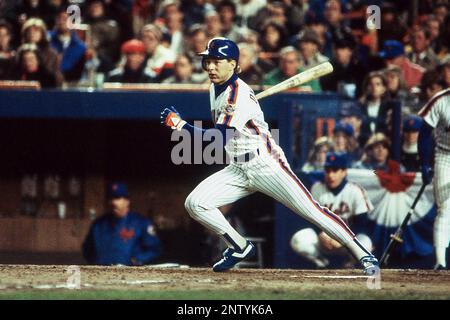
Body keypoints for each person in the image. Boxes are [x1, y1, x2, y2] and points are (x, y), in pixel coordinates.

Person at [160, 37, 378, 274]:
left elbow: (219, 137)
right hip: (238, 167)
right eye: (208, 61)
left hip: (265, 164)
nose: (210, 67)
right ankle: (239, 247)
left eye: (217, 61)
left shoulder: (237, 95)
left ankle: (363, 254)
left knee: (312, 211)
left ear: (233, 64)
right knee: (196, 203)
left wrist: (181, 125)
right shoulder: (216, 88)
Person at [291, 152, 374, 268]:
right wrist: (320, 233)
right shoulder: (317, 188)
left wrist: (343, 239)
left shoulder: (355, 190)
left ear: (344, 172)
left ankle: (350, 264)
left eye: (335, 170)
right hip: (325, 240)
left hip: (349, 241)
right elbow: (311, 218)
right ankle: (321, 263)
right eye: (328, 170)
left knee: (366, 243)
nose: (330, 175)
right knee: (299, 239)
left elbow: (362, 224)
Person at [82, 182, 162, 266]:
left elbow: (155, 249)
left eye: (117, 198)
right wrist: (95, 261)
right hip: (101, 274)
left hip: (129, 273)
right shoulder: (98, 224)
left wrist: (138, 259)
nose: (113, 202)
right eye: (111, 198)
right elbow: (87, 248)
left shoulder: (141, 223)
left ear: (127, 201)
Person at [418, 88, 450, 270]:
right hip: (445, 155)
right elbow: (424, 133)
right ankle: (440, 261)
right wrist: (424, 163)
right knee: (446, 207)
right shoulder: (441, 99)